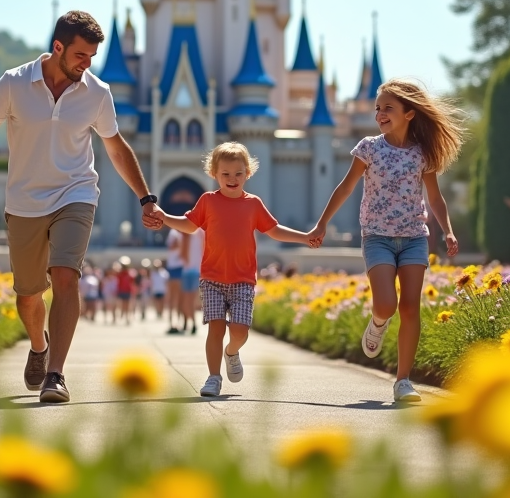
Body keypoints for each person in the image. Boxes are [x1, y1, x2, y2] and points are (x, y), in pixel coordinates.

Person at [0, 10, 163, 404]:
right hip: (25, 201)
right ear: (58, 47)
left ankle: (56, 375)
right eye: (81, 56)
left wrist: (145, 197)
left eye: (91, 58)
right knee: (29, 293)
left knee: (66, 276)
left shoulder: (97, 93)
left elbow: (116, 148)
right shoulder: (14, 83)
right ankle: (39, 345)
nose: (87, 65)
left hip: (76, 193)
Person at [310, 78, 465, 404]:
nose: (379, 113)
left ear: (409, 113)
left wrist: (448, 230)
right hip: (377, 236)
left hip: (413, 239)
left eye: (388, 108)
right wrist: (322, 224)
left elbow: (434, 199)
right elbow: (345, 187)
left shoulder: (423, 154)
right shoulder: (368, 148)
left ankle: (403, 381)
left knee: (410, 308)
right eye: (378, 108)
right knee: (386, 304)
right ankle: (378, 323)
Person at [151, 141, 320, 398]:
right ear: (214, 174)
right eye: (226, 174)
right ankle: (213, 377)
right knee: (215, 329)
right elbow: (188, 225)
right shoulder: (207, 201)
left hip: (243, 280)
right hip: (212, 278)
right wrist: (164, 217)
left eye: (238, 173)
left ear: (248, 173)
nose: (232, 179)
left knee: (240, 331)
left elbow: (273, 229)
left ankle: (232, 352)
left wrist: (304, 237)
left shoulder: (253, 204)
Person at [164, 226, 186, 333]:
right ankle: (173, 323)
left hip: (178, 267)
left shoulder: (179, 233)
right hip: (175, 268)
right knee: (174, 298)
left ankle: (177, 322)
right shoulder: (175, 233)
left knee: (178, 298)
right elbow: (172, 246)